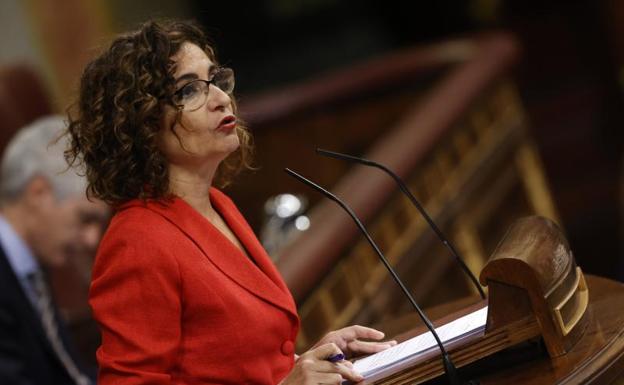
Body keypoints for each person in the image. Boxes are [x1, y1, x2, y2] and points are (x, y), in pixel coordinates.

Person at [65, 20, 396, 385]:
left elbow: (231, 366)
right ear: (141, 123)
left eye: (216, 80)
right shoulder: (137, 242)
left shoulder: (219, 205)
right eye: (189, 90)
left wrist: (316, 359)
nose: (221, 98)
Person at [0, 115, 109, 385]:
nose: (91, 240)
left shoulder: (31, 268)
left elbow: (68, 373)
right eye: (85, 219)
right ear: (39, 194)